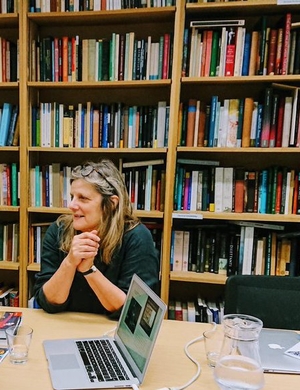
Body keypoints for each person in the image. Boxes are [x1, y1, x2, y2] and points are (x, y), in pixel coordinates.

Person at [33, 159, 160, 318]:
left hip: (110, 332)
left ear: (111, 204)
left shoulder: (137, 237)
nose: (72, 205)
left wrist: (89, 270)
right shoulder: (58, 230)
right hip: (65, 326)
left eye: (83, 198)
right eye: (72, 196)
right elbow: (47, 301)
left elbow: (135, 310)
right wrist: (70, 262)